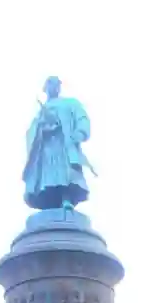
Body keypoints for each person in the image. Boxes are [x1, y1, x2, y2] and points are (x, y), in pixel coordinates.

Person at [23, 76, 95, 210]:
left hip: (63, 145)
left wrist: (80, 132)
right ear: (46, 89)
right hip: (46, 147)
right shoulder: (41, 111)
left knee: (65, 174)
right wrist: (41, 127)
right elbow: (32, 130)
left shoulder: (70, 103)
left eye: (56, 84)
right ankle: (49, 202)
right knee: (47, 177)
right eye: (50, 85)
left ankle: (66, 198)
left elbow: (82, 117)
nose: (53, 88)